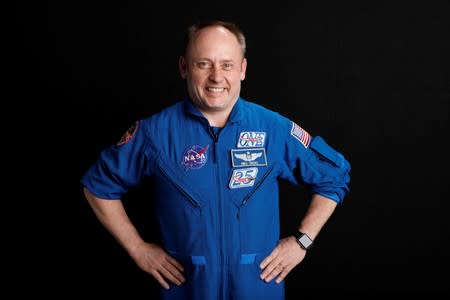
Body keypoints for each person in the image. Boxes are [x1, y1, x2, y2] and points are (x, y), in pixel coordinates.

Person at [81, 20, 351, 300]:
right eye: (203, 64)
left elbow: (334, 175)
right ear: (184, 67)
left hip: (257, 289)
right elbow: (98, 186)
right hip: (187, 290)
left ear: (242, 70)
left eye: (227, 65)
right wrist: (137, 249)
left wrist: (302, 242)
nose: (216, 77)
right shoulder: (154, 133)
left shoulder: (273, 129)